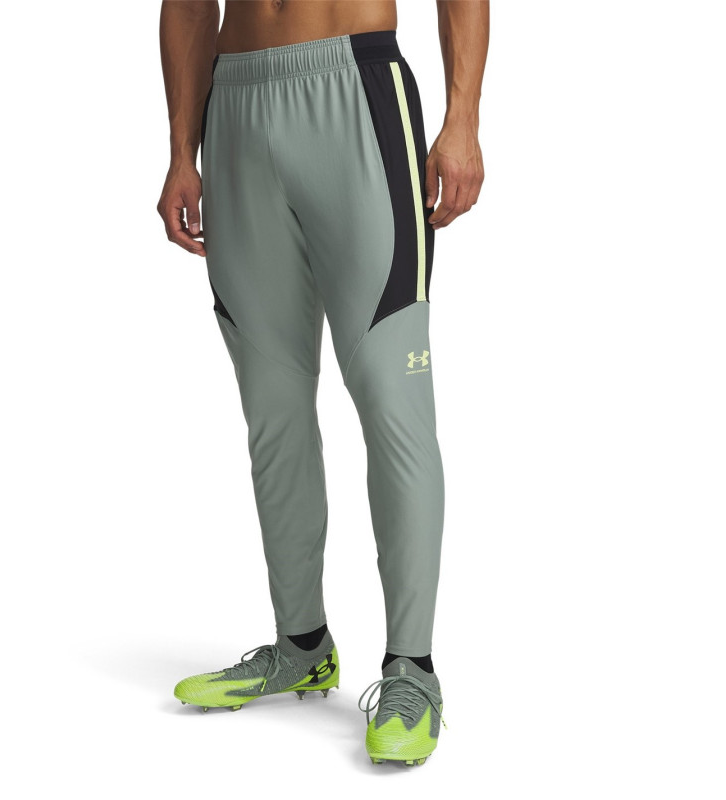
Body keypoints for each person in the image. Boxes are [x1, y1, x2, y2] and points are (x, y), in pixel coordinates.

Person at [157, 0, 488, 766]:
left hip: (355, 89)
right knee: (271, 406)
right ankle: (301, 644)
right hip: (235, 108)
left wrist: (463, 119)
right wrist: (181, 150)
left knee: (391, 396)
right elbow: (187, 5)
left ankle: (412, 670)